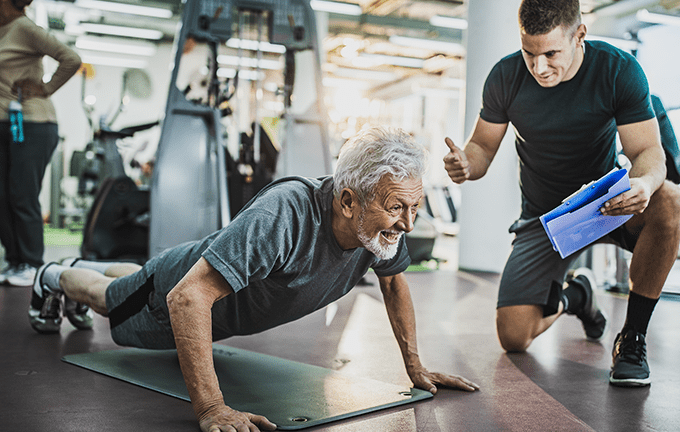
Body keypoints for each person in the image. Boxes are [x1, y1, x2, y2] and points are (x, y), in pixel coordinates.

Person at [31, 126, 479, 431]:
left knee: (140, 277)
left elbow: (395, 282)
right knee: (110, 299)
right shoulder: (284, 216)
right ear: (348, 201)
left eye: (414, 208)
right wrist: (211, 408)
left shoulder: (376, 228)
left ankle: (93, 271)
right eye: (398, 208)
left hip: (188, 273)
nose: (406, 224)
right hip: (177, 289)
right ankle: (54, 276)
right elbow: (187, 299)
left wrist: (415, 367)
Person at [443, 0, 680, 387]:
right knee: (514, 337)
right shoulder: (506, 76)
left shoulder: (617, 69)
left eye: (551, 53)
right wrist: (466, 165)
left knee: (670, 200)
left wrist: (644, 183)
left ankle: (633, 338)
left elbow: (647, 152)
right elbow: (482, 148)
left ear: (580, 35)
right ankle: (578, 296)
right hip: (546, 216)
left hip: (607, 204)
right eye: (530, 53)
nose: (540, 67)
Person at [0, 0, 82, 286]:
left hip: (32, 123)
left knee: (22, 194)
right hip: (5, 124)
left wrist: (45, 88)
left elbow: (71, 58)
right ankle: (14, 261)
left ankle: (33, 264)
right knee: (3, 197)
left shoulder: (25, 28)